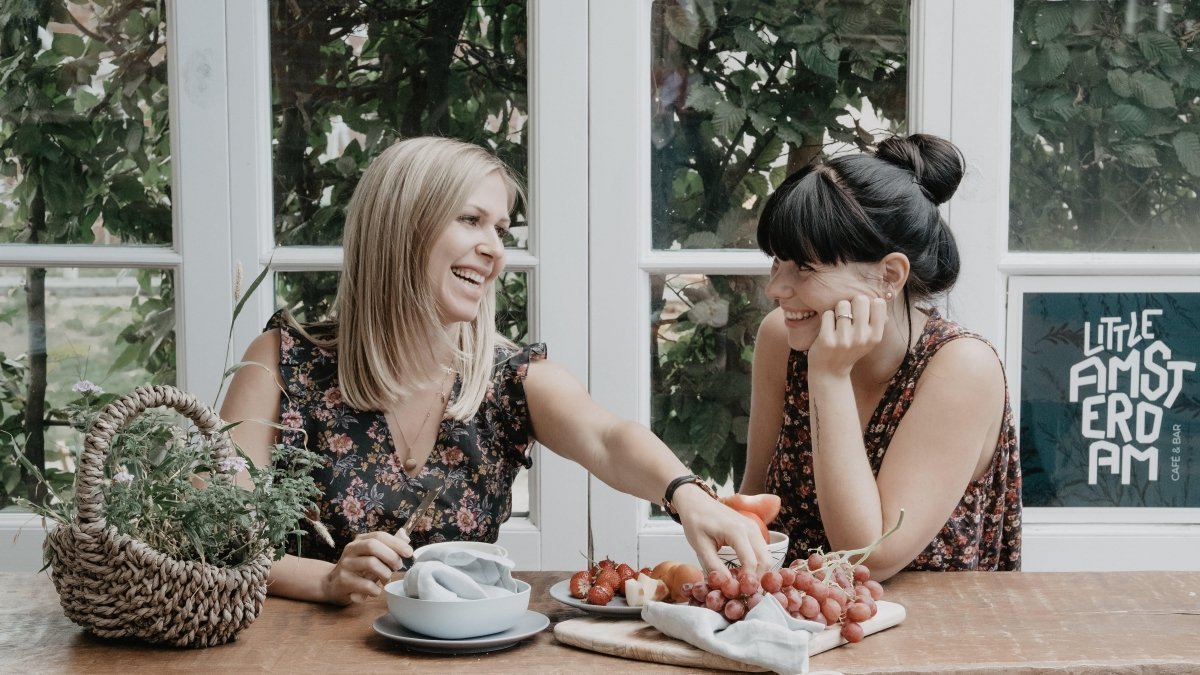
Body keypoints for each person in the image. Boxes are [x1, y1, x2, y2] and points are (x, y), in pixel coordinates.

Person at [221, 136, 769, 605]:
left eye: (501, 229)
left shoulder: (510, 379)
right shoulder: (280, 361)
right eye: (470, 220)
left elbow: (607, 437)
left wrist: (686, 494)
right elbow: (219, 540)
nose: (494, 250)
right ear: (399, 227)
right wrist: (328, 581)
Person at [739, 134, 1021, 581]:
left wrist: (829, 378)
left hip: (930, 638)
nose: (776, 288)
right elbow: (754, 505)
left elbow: (869, 556)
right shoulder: (782, 337)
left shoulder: (962, 368)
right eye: (777, 261)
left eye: (805, 268)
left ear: (888, 275)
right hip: (790, 632)